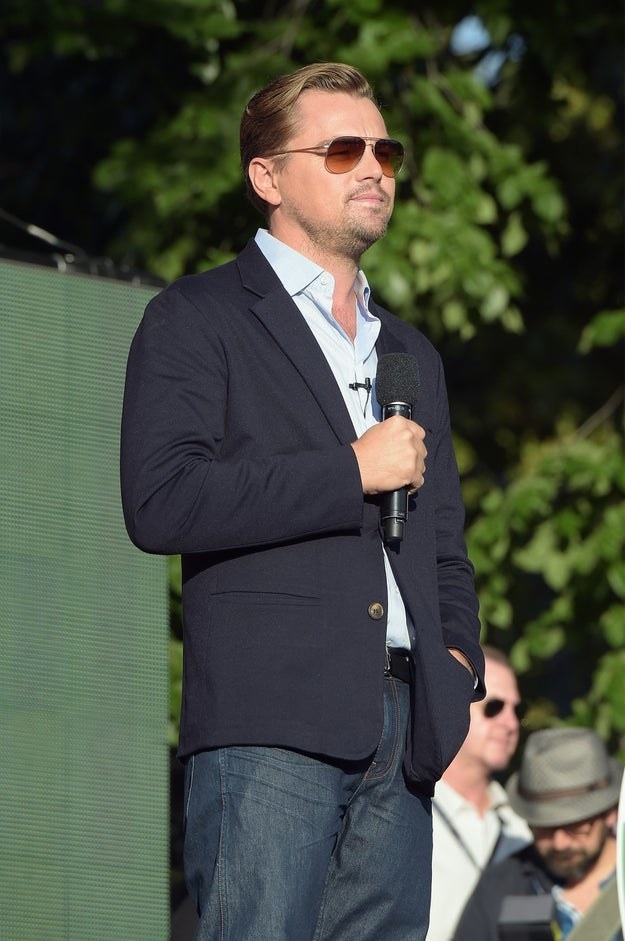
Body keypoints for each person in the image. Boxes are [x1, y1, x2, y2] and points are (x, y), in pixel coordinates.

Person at [120, 61, 485, 941]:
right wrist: (347, 471)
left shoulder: (410, 354)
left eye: (384, 151)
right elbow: (160, 501)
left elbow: (441, 540)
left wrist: (455, 660)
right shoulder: (198, 316)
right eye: (343, 149)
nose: (373, 169)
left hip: (404, 726)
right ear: (267, 177)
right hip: (268, 721)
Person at [452, 726, 623, 941]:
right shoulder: (502, 885)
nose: (559, 843)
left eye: (576, 827)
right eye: (544, 828)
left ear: (610, 813)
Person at [427, 645, 532, 940]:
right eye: (494, 706)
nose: (511, 723)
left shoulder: (523, 824)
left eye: (518, 710)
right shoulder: (409, 809)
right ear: (453, 707)